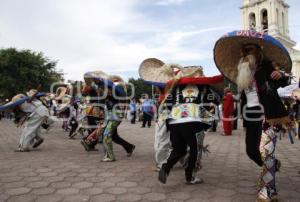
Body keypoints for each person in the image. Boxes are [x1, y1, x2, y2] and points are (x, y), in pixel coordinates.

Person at [214, 30, 292, 202]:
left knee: (265, 152)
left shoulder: (267, 66)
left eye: (250, 50)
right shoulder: (242, 73)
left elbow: (285, 80)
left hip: (269, 115)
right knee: (251, 151)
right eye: (244, 51)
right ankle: (272, 164)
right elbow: (242, 96)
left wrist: (282, 75)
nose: (246, 54)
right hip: (250, 116)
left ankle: (268, 191)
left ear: (257, 52)